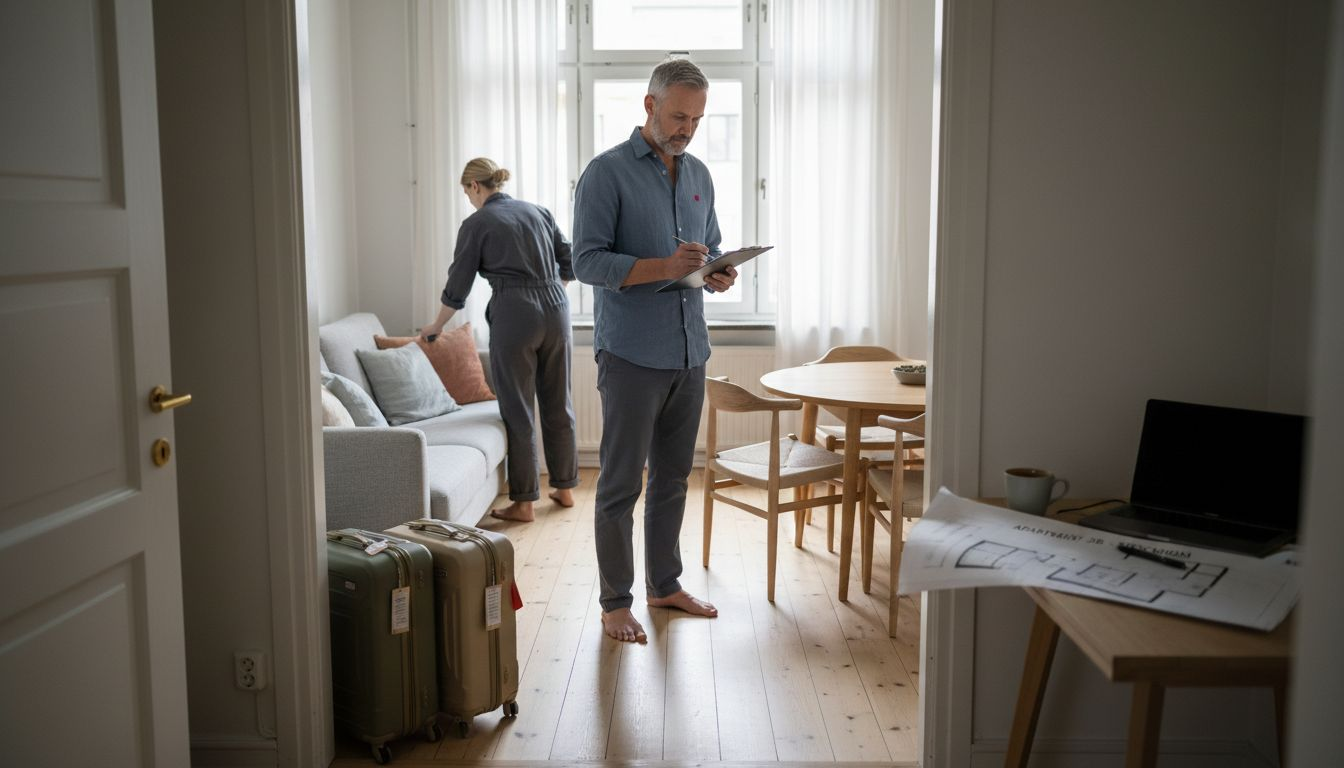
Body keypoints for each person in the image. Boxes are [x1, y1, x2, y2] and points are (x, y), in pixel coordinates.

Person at [573, 59, 738, 643]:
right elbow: (585, 262)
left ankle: (664, 585)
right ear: (649, 106)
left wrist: (717, 272)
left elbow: (709, 244)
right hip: (631, 356)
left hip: (690, 352)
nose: (686, 128)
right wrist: (663, 268)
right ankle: (615, 602)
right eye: (677, 116)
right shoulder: (605, 174)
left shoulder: (699, 174)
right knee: (621, 484)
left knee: (673, 478)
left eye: (695, 118)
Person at [420, 158, 578, 522]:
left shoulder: (477, 223)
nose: (469, 200)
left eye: (466, 193)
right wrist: (552, 291)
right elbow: (569, 261)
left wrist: (436, 326)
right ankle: (565, 487)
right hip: (557, 308)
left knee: (519, 407)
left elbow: (457, 286)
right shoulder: (538, 211)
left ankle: (524, 503)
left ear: (475, 186)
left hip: (515, 312)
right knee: (558, 400)